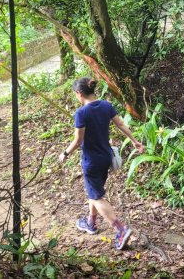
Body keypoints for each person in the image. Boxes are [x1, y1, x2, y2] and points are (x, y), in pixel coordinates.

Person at [58, 77, 145, 250]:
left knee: (96, 197)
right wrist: (135, 141)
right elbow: (120, 124)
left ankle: (121, 229)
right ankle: (91, 222)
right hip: (106, 157)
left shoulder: (81, 113)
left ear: (79, 93)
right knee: (94, 191)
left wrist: (65, 153)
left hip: (91, 161)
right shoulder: (106, 105)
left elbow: (78, 140)